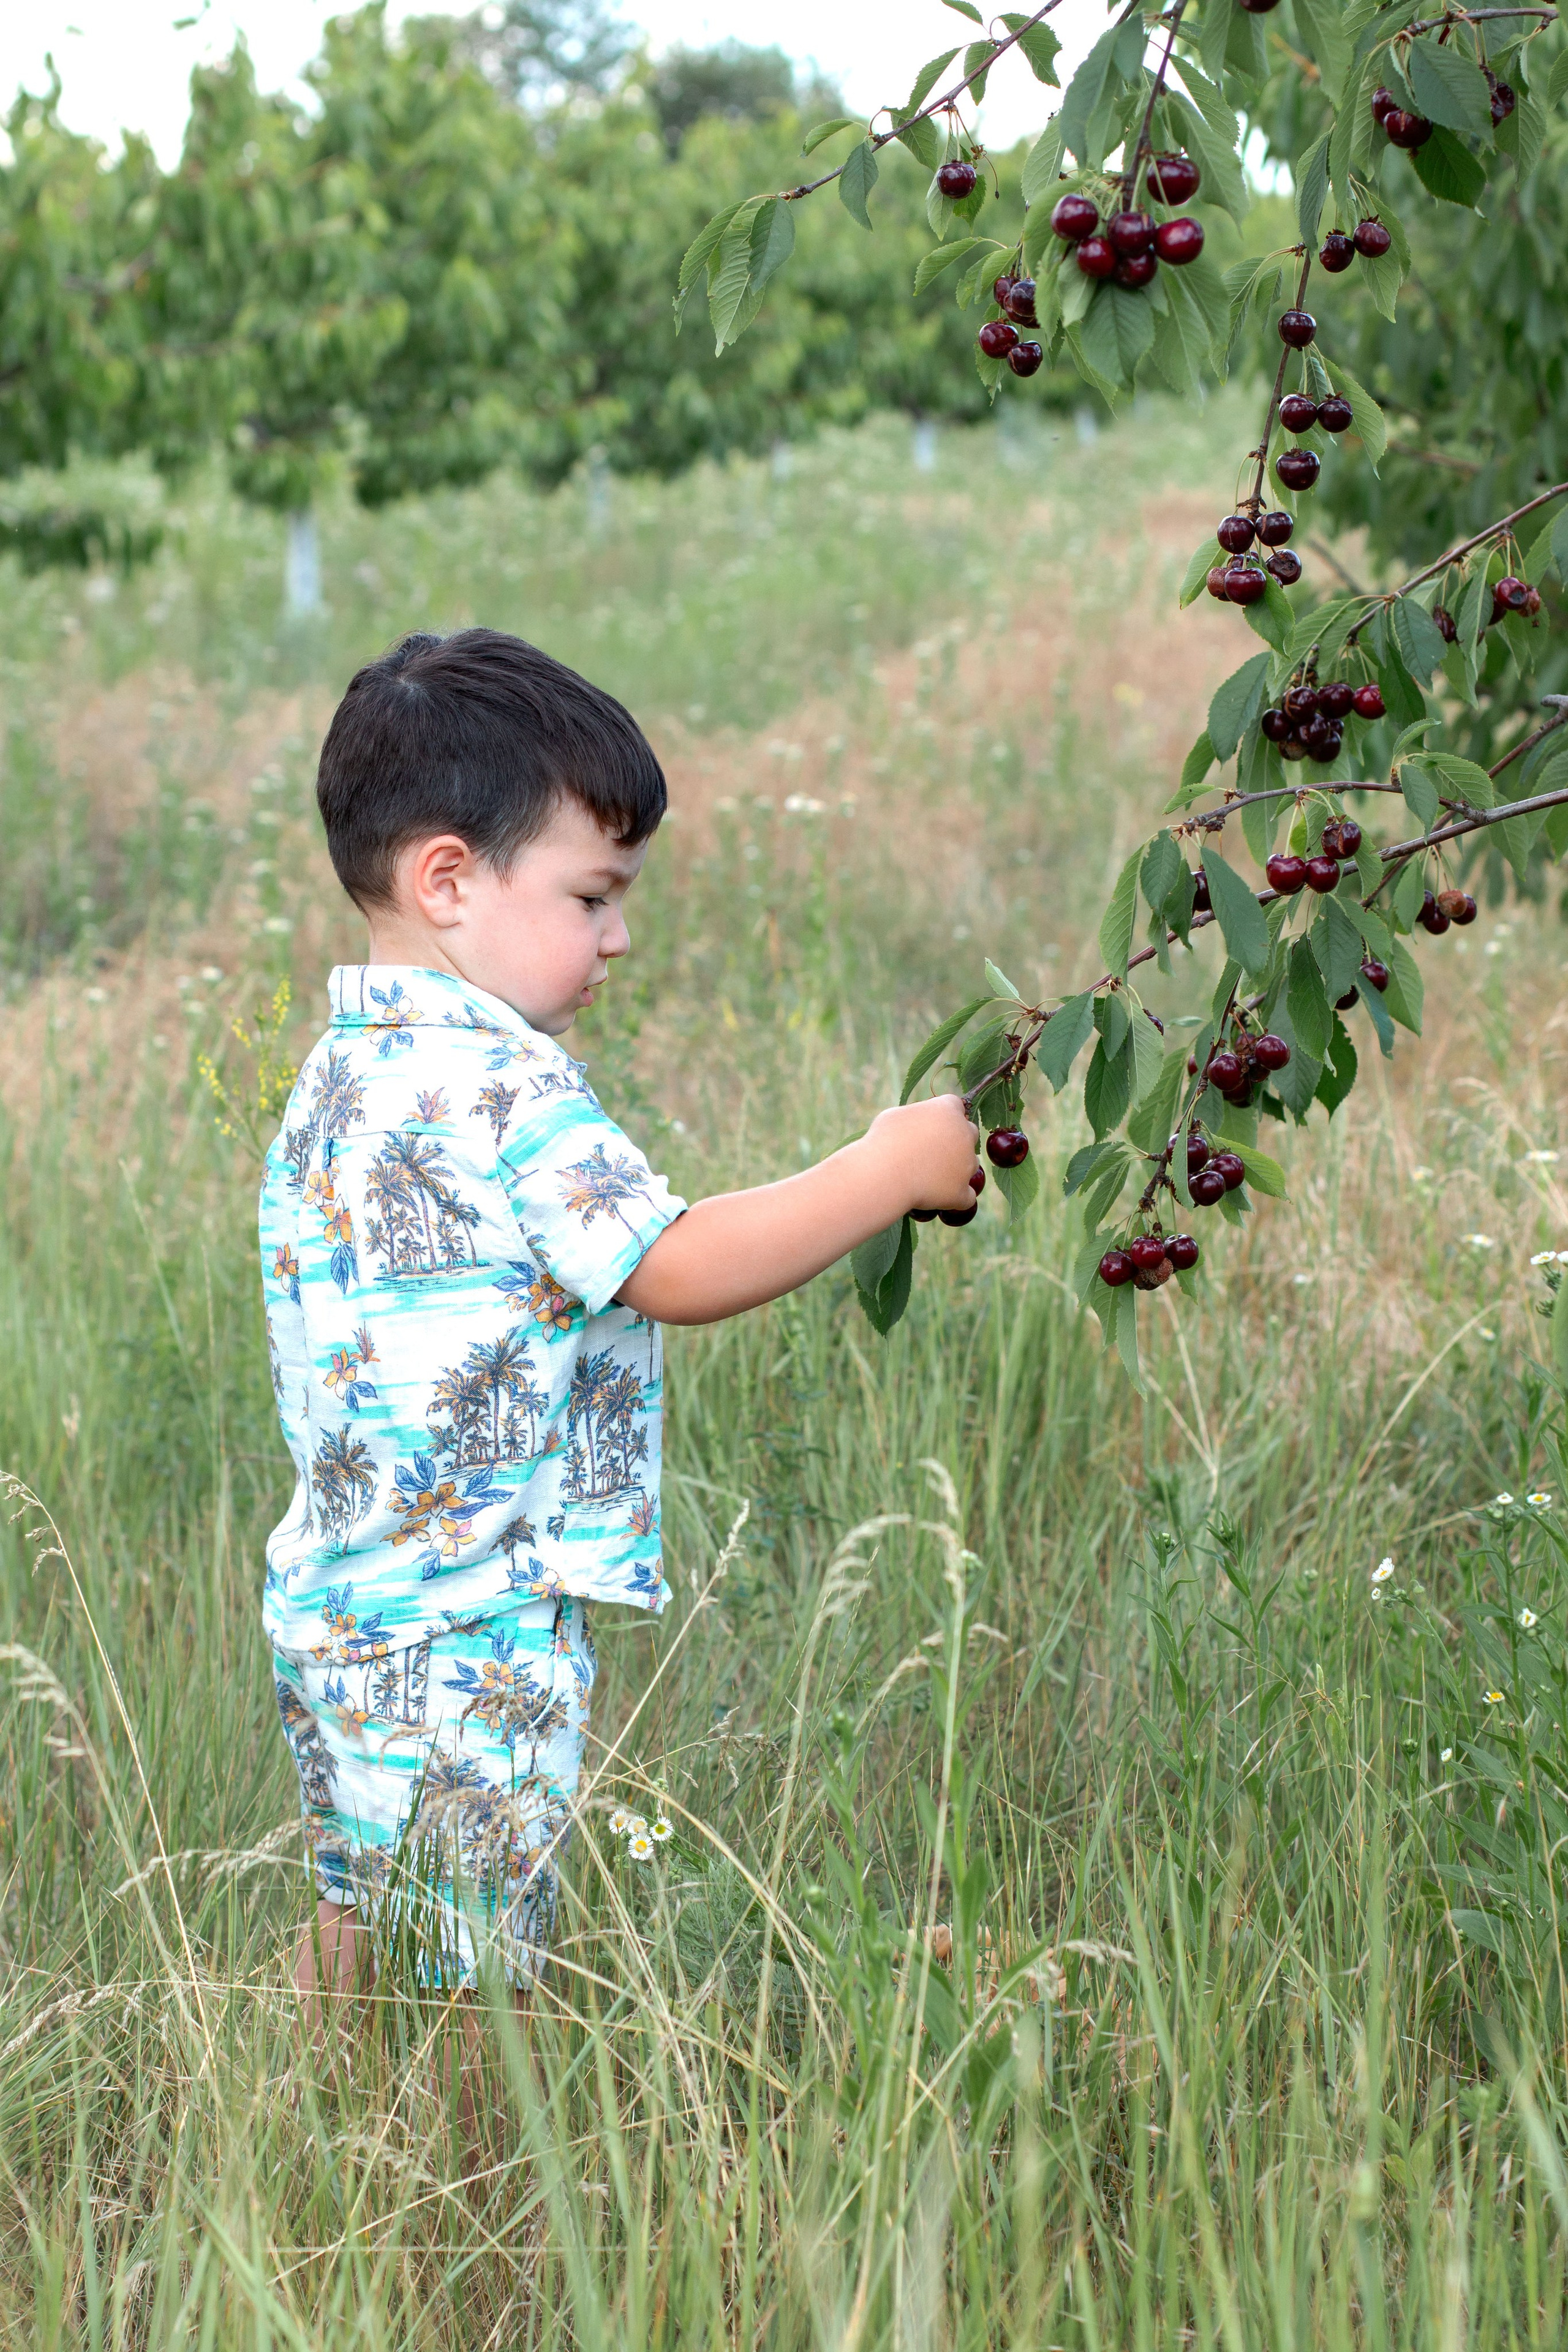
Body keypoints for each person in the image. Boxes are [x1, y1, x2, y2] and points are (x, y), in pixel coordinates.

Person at [259, 626, 978, 2022]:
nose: (617, 936)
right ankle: (465, 2204)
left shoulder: (340, 1071)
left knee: (364, 1913)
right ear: (450, 880)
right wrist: (882, 1169)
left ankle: (296, 2136)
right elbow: (674, 1264)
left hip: (342, 1610)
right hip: (467, 1622)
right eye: (593, 896)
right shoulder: (502, 1085)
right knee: (475, 1987)